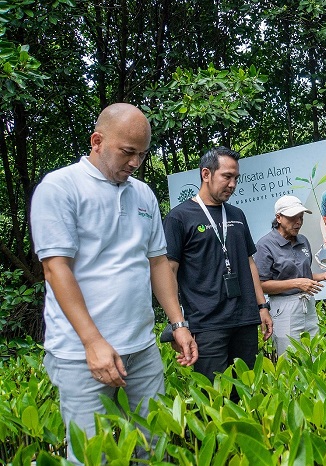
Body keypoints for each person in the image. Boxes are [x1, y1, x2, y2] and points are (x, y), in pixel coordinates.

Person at [30, 103, 198, 464]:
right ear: (97, 141)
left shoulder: (143, 194)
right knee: (93, 457)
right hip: (81, 355)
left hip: (142, 350)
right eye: (128, 152)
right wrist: (93, 342)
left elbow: (157, 263)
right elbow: (56, 269)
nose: (135, 162)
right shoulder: (60, 188)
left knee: (154, 448)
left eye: (142, 154)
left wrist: (178, 323)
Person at [163, 146, 273, 388]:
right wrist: (177, 325)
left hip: (244, 319)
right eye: (227, 176)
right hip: (206, 323)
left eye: (236, 178)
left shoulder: (237, 214)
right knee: (215, 396)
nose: (232, 184)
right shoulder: (179, 218)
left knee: (248, 392)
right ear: (206, 174)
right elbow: (168, 273)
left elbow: (249, 262)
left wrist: (262, 306)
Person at [254, 195, 326, 355]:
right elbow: (260, 285)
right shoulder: (265, 245)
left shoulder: (303, 240)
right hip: (284, 307)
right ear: (279, 218)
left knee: (313, 356)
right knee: (289, 359)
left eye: (300, 217)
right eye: (293, 218)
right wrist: (296, 284)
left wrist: (324, 275)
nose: (298, 222)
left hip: (308, 304)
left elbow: (304, 276)